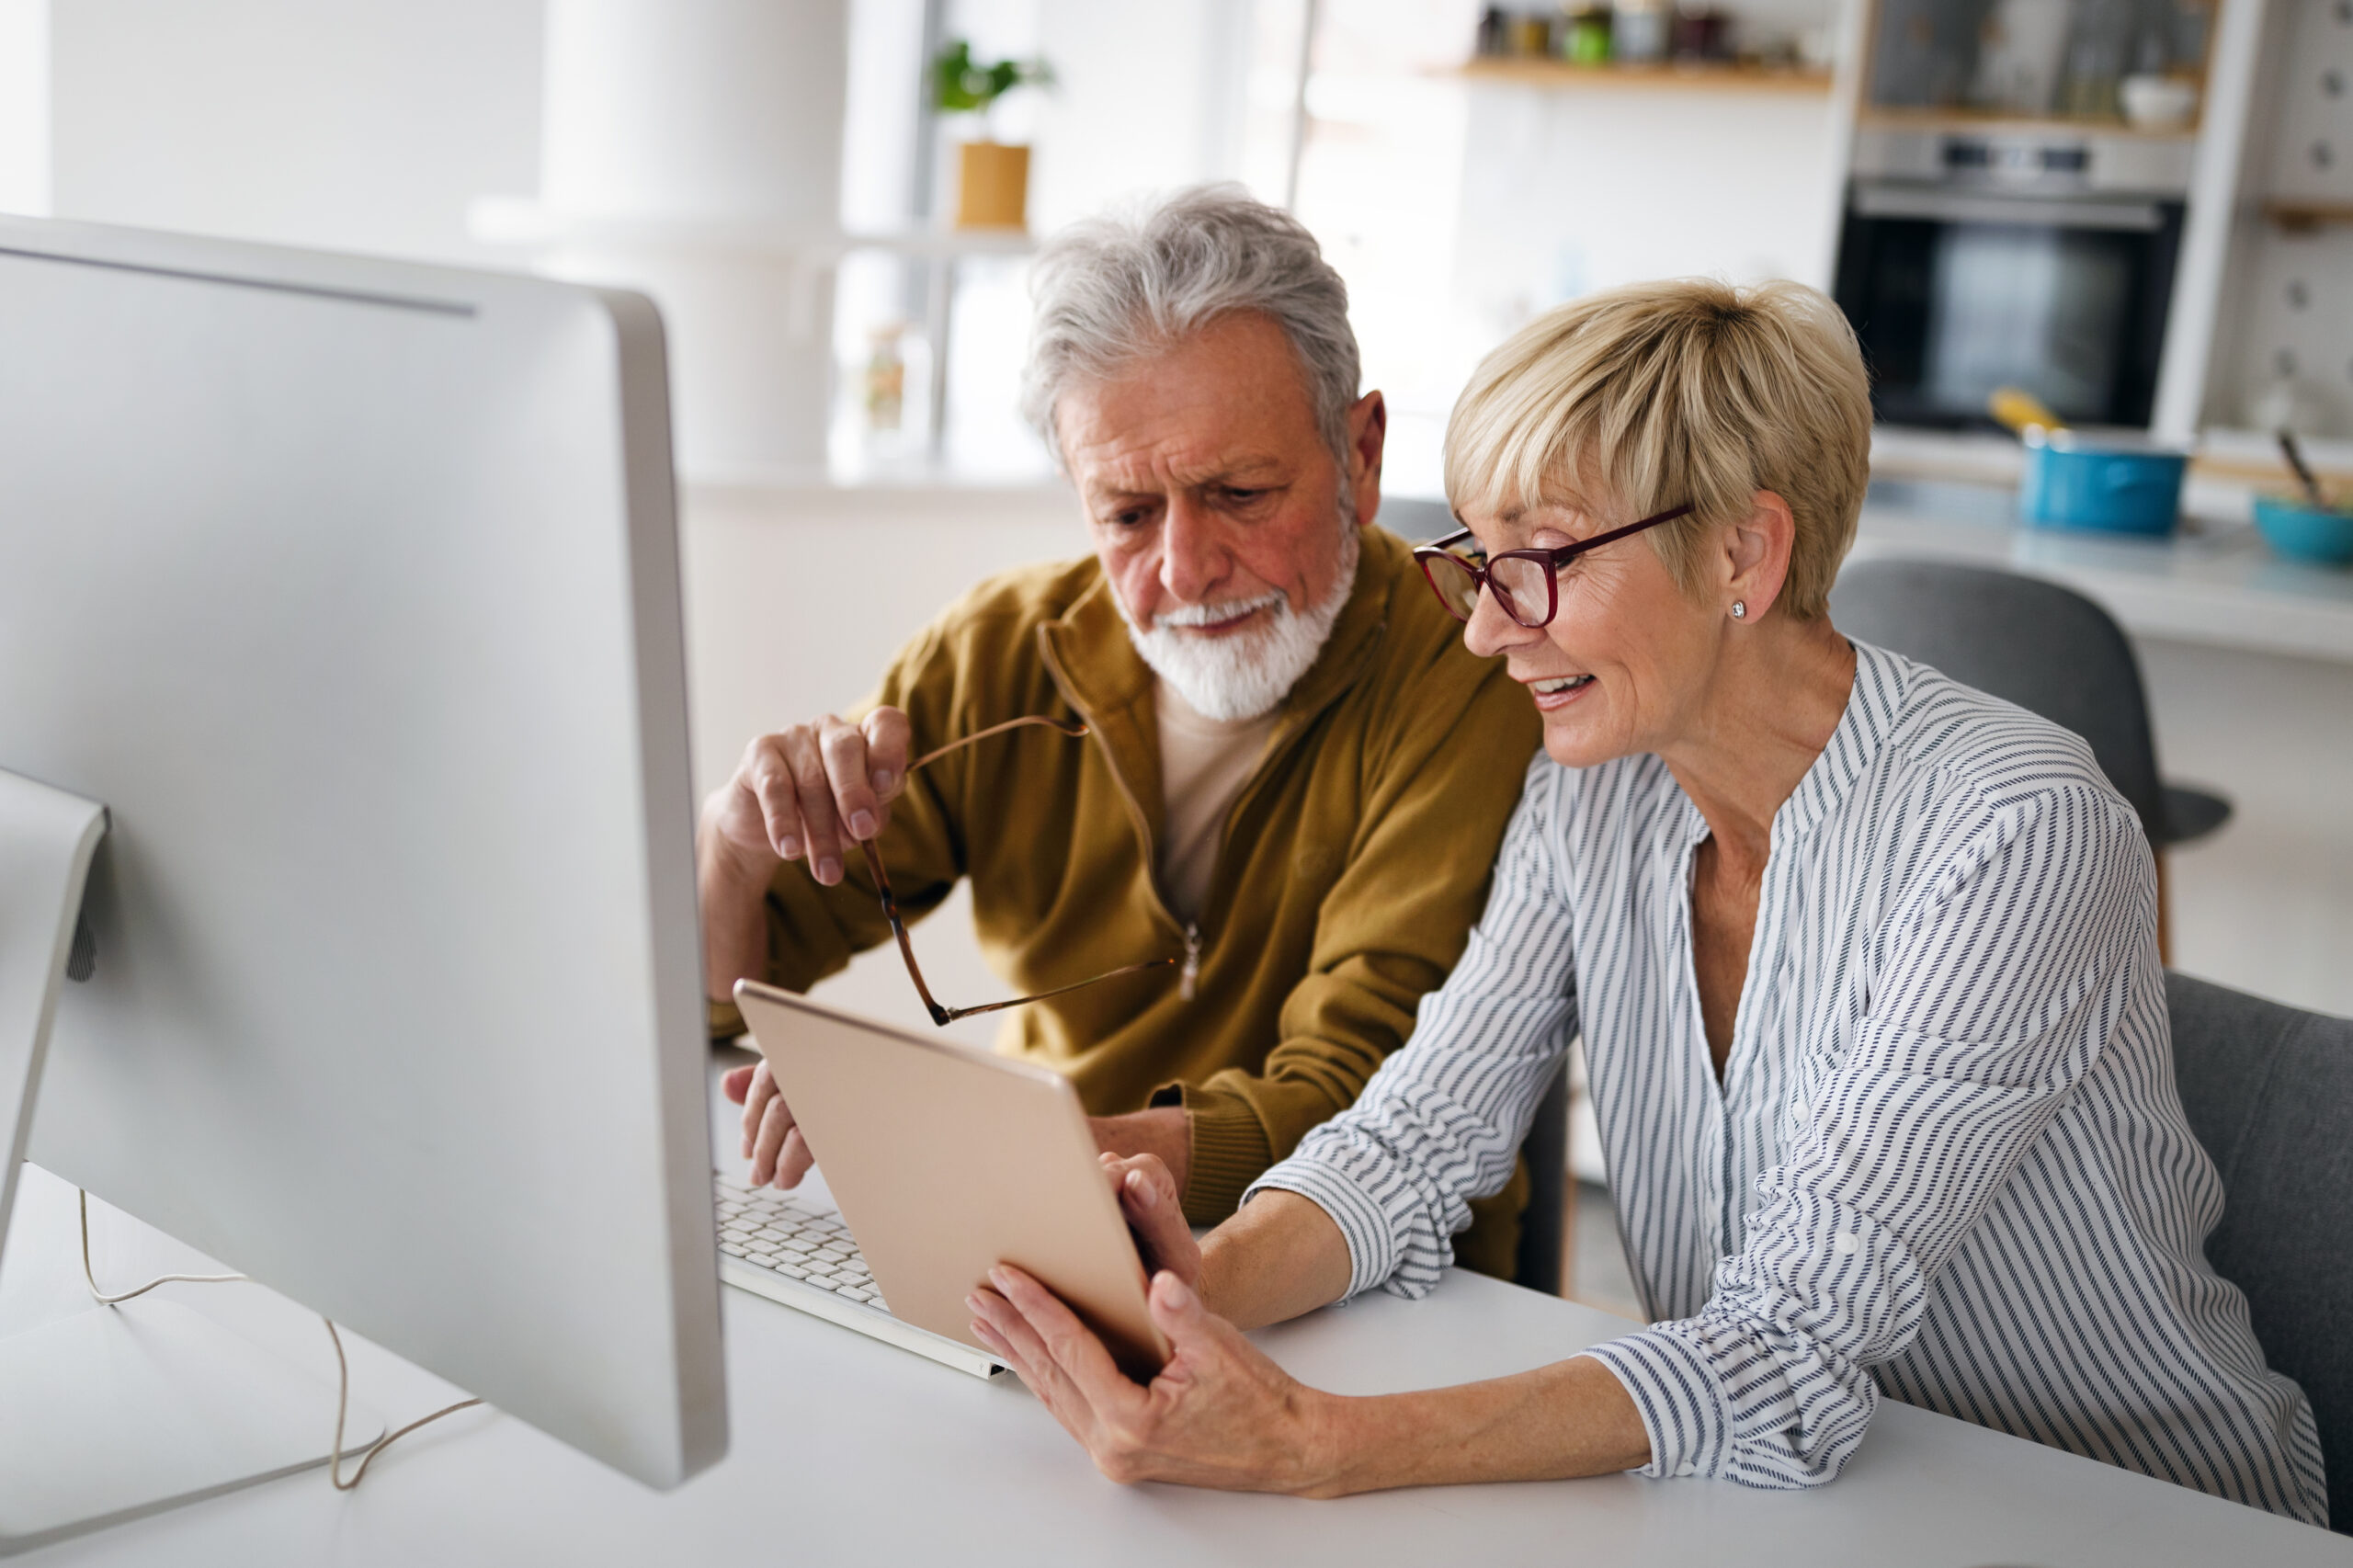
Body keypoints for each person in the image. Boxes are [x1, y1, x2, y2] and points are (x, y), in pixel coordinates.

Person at [964, 278, 2330, 1526]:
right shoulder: (1597, 795)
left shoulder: (2013, 832)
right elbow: (1412, 1141)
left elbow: (1789, 1343)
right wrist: (1186, 1292)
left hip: (2137, 1514)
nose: (1490, 627)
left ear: (1744, 556)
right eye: (1476, 561)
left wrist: (1322, 1442)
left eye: (1540, 557)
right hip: (1794, 1499)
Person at [698, 187, 1543, 1270]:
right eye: (1128, 514)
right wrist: (731, 851)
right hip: (1046, 1241)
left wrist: (1003, 1144)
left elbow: (1368, 1100)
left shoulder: (1466, 664)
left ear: (1362, 455)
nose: (1182, 571)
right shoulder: (1000, 647)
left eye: (1239, 492)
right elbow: (717, 1000)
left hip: (1379, 1279)